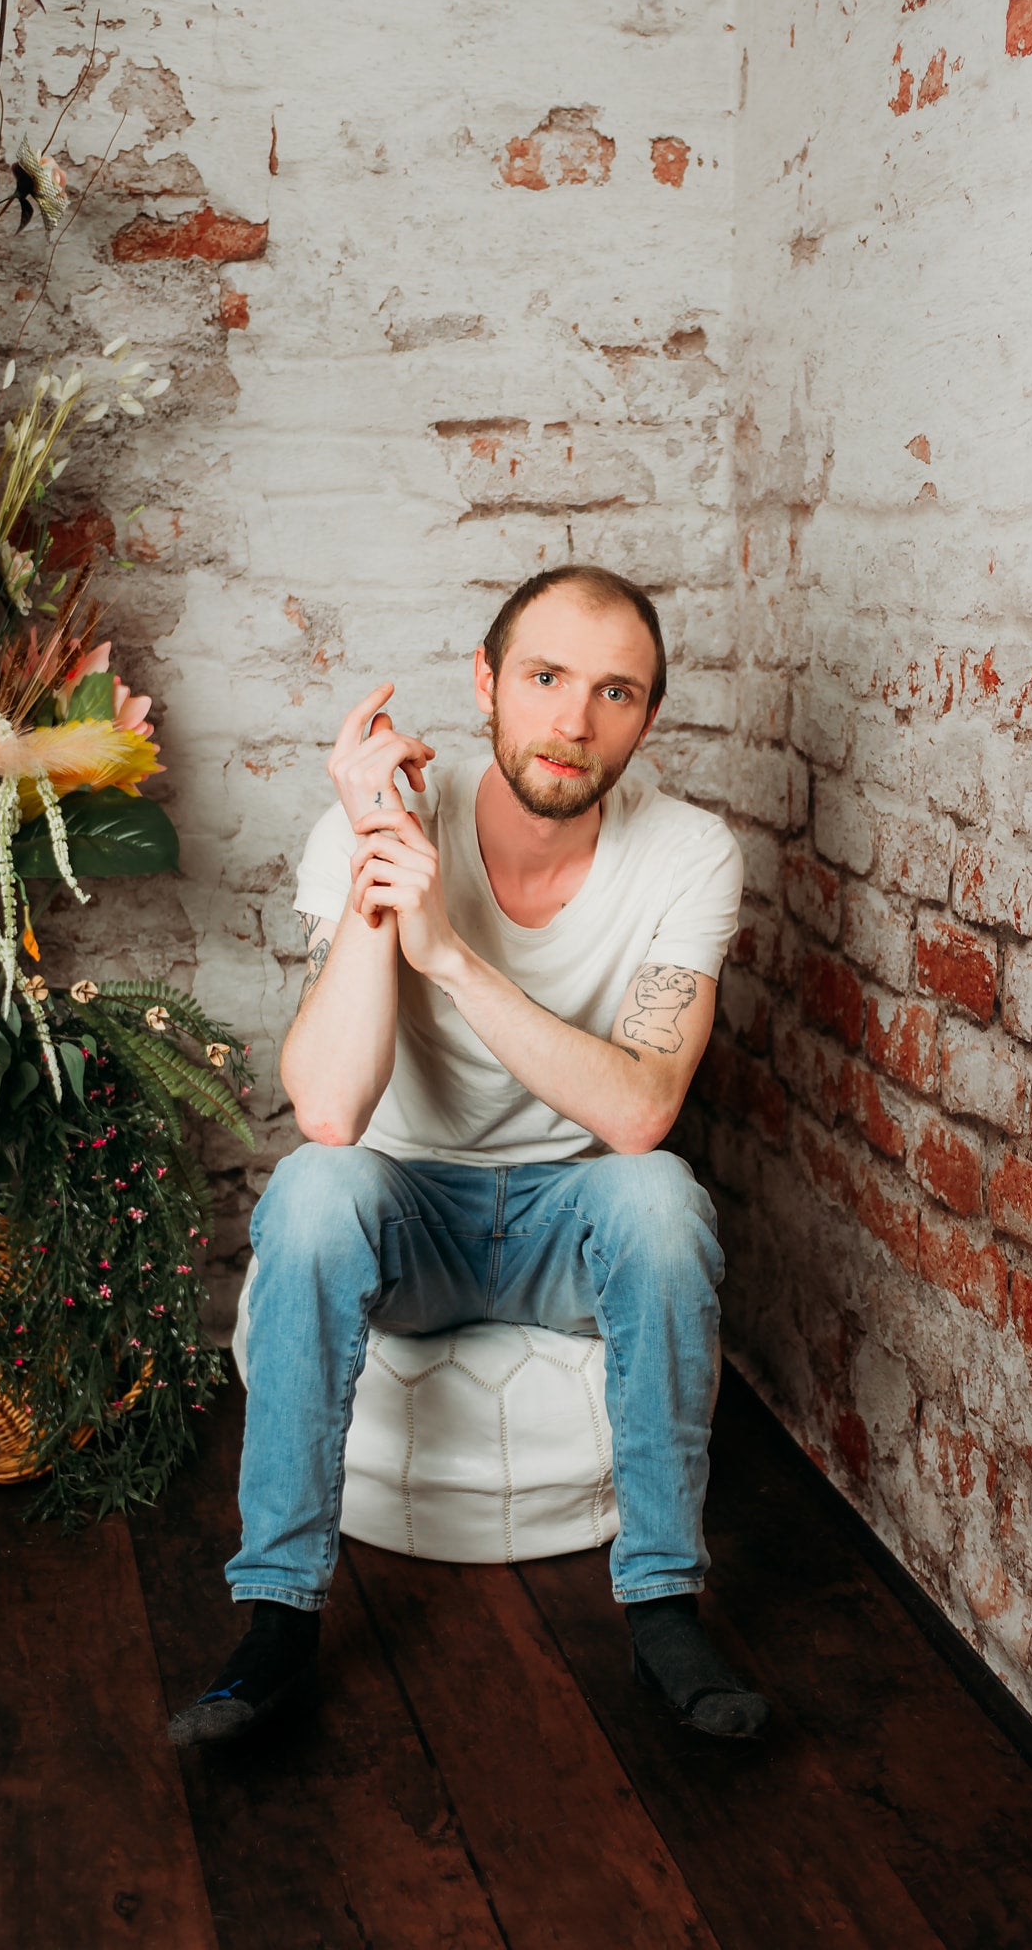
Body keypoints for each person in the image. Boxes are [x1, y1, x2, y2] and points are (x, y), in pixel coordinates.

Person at [169, 565, 770, 1746]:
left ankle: (661, 1604)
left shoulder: (690, 852)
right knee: (308, 1187)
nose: (573, 721)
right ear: (486, 682)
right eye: (544, 678)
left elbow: (642, 1110)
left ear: (646, 716)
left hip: (567, 1212)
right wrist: (374, 863)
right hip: (408, 1210)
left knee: (659, 1196)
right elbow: (332, 1110)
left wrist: (449, 957)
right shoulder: (385, 821)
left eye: (615, 692)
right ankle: (276, 1619)